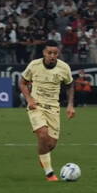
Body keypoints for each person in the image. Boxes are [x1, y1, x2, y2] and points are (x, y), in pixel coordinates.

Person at [19, 40, 76, 181]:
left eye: (55, 53)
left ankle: (43, 157)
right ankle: (49, 173)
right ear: (44, 53)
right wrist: (29, 99)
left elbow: (69, 86)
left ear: (58, 53)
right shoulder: (34, 65)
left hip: (53, 108)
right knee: (43, 135)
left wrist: (70, 105)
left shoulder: (64, 68)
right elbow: (22, 82)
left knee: (50, 145)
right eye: (49, 53)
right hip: (36, 105)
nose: (52, 55)